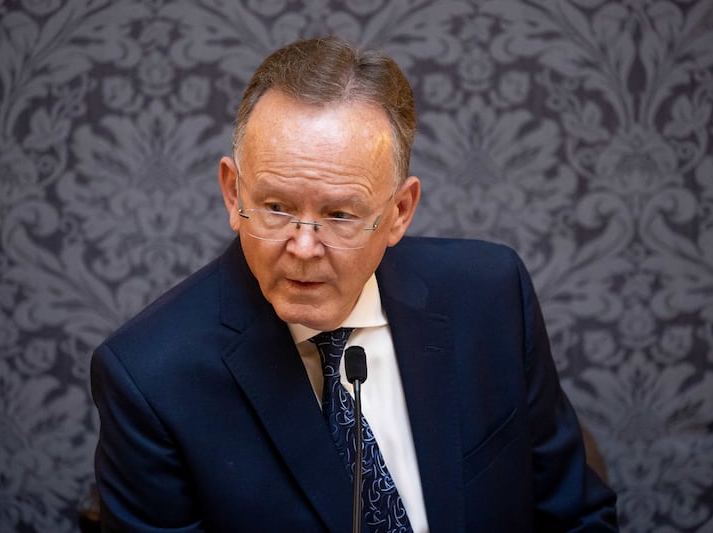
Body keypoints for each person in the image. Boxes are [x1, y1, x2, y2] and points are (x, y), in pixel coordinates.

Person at [91, 36, 618, 532]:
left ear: (399, 211)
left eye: (340, 214)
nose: (302, 246)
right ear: (233, 194)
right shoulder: (150, 378)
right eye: (275, 207)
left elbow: (576, 518)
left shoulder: (490, 298)